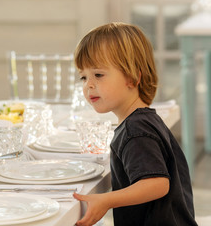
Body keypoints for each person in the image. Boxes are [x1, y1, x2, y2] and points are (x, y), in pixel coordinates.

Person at [73, 22, 198, 226]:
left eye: (98, 75)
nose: (89, 85)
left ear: (132, 77)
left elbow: (157, 184)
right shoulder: (144, 120)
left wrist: (106, 200)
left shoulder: (135, 130)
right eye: (83, 77)